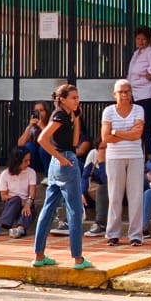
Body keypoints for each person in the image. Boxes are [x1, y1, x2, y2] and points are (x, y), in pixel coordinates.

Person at [32, 84, 93, 270]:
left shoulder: (67, 116)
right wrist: (61, 158)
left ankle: (39, 255)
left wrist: (76, 119)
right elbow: (42, 138)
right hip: (65, 162)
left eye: (78, 97)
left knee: (49, 208)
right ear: (63, 99)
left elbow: (74, 142)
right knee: (74, 211)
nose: (77, 100)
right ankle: (78, 258)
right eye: (73, 98)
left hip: (58, 164)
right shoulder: (58, 115)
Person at [102, 79, 147, 246]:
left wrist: (116, 132)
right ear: (115, 94)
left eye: (127, 91)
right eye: (121, 92)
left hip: (135, 156)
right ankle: (113, 233)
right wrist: (126, 133)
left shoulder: (139, 110)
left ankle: (136, 235)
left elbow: (137, 135)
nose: (125, 95)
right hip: (114, 157)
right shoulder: (108, 112)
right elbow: (106, 138)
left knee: (136, 196)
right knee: (114, 196)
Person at [127, 25, 151, 155]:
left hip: (149, 95)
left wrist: (150, 73)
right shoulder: (137, 53)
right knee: (141, 125)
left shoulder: (150, 51)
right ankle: (144, 152)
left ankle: (149, 154)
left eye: (143, 39)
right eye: (138, 39)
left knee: (147, 126)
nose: (140, 41)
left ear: (148, 40)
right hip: (139, 95)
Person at [0, 146, 37, 238]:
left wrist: (27, 203)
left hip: (26, 203)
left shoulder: (31, 172)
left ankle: (20, 229)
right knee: (16, 199)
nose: (29, 163)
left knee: (28, 209)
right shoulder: (5, 174)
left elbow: (32, 193)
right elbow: (3, 196)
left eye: (29, 160)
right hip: (11, 203)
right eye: (25, 161)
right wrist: (19, 200)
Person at [81, 142, 109, 238]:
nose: (103, 151)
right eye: (100, 149)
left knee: (102, 189)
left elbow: (106, 181)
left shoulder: (115, 156)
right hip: (94, 195)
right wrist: (82, 193)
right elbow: (85, 176)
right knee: (74, 189)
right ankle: (68, 221)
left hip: (113, 194)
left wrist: (102, 163)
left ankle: (100, 224)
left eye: (105, 148)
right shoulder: (93, 154)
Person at [18, 101, 53, 173]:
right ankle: (31, 173)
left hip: (48, 158)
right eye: (36, 111)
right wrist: (30, 126)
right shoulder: (32, 127)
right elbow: (20, 144)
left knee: (43, 147)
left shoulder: (51, 124)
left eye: (41, 110)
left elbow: (53, 142)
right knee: (29, 146)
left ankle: (47, 175)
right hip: (34, 159)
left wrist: (42, 126)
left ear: (47, 112)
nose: (39, 113)